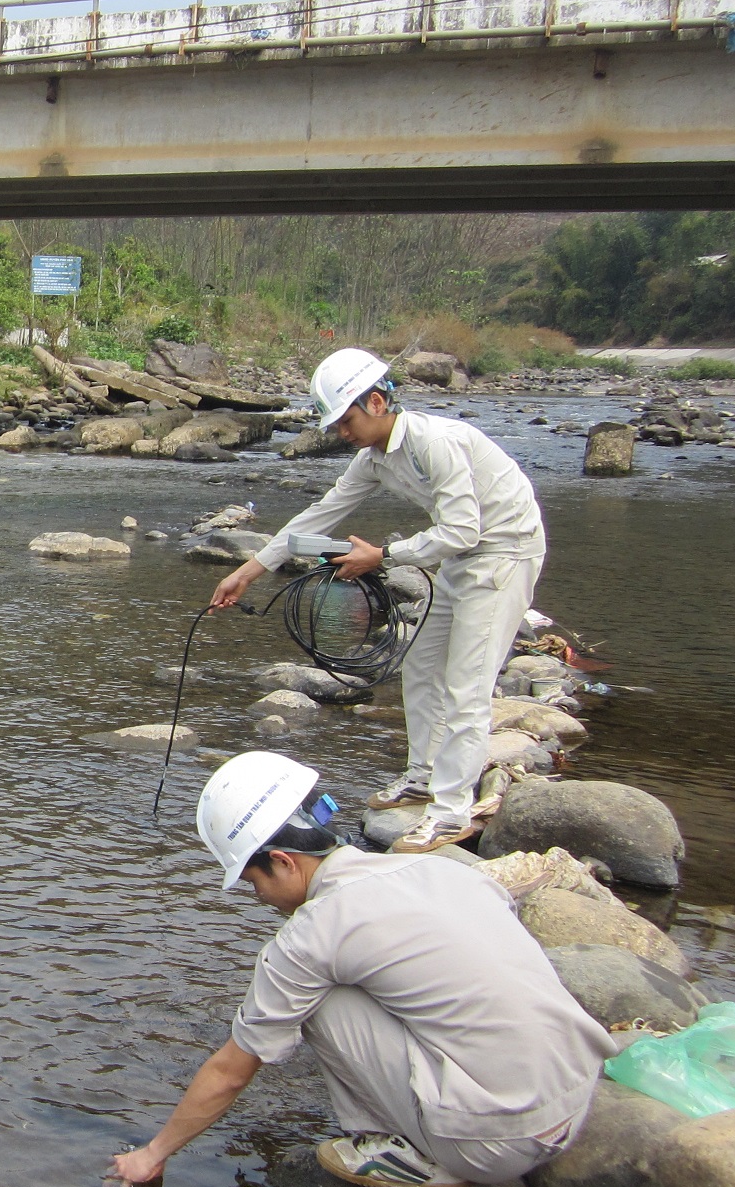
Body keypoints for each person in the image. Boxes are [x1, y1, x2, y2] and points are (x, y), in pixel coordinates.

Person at [108, 751, 609, 1187]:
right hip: (576, 1098)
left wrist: (151, 1154)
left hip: (496, 1145)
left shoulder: (312, 933)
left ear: (283, 861)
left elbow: (230, 1071)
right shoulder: (445, 872)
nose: (258, 898)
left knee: (315, 999)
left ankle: (399, 1154)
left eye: (252, 881)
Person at [209, 348, 547, 854]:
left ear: (376, 401)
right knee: (421, 667)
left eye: (346, 421)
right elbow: (319, 515)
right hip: (460, 559)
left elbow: (461, 528)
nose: (342, 433)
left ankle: (451, 811)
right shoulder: (374, 459)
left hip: (504, 554)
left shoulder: (437, 443)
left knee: (466, 688)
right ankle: (423, 776)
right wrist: (250, 570)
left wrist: (383, 556)